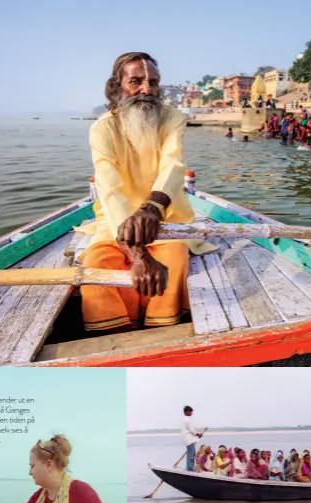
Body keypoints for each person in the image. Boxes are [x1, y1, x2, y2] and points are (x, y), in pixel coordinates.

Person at [83, 52, 215, 333]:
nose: (147, 89)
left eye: (153, 82)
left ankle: (160, 328)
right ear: (117, 87)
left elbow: (174, 164)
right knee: (97, 263)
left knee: (174, 258)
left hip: (168, 216)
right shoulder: (102, 128)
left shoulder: (172, 118)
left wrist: (152, 208)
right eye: (136, 81)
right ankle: (115, 332)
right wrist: (138, 254)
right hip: (115, 220)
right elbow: (108, 187)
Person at [182, 406, 204, 472]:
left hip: (189, 439)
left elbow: (192, 430)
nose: (192, 413)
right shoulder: (187, 419)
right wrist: (198, 434)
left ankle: (189, 468)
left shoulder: (185, 419)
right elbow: (191, 429)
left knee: (191, 454)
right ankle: (190, 469)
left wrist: (197, 434)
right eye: (190, 411)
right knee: (191, 455)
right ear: (186, 412)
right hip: (189, 440)